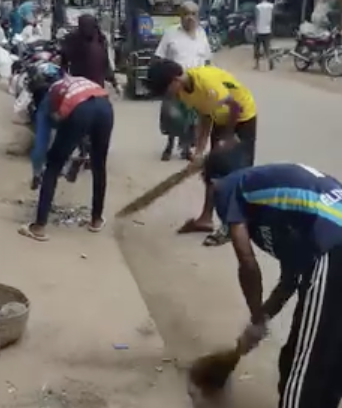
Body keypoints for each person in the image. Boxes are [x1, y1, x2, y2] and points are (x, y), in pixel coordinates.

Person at [203, 151, 342, 408]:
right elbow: (292, 277)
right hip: (331, 246)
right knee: (329, 357)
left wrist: (256, 317)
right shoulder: (275, 204)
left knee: (304, 369)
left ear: (212, 183)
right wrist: (262, 318)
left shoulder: (232, 187)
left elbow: (246, 262)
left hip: (335, 247)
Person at [145, 59, 257, 247]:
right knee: (212, 170)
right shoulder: (184, 92)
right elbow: (205, 115)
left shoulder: (207, 85)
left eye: (166, 91)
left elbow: (234, 107)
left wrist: (228, 139)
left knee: (234, 172)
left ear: (175, 80)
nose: (167, 96)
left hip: (241, 117)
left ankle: (232, 226)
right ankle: (205, 219)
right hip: (220, 117)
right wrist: (199, 150)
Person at [18, 75, 113, 241]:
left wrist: (37, 172)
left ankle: (39, 226)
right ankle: (96, 220)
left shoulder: (47, 103)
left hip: (81, 110)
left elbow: (41, 142)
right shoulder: (67, 83)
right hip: (105, 107)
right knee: (99, 165)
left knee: (53, 166)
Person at [154, 1, 212, 161]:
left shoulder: (202, 34)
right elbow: (159, 58)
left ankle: (186, 148)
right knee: (172, 115)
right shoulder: (170, 33)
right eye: (186, 14)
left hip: (195, 85)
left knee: (192, 118)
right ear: (180, 16)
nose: (189, 18)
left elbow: (207, 60)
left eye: (193, 14)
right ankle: (169, 145)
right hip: (175, 83)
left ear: (198, 17)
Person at [61, 14, 120, 91]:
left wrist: (115, 84)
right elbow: (64, 62)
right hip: (79, 86)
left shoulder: (100, 39)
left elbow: (105, 64)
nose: (87, 29)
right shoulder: (72, 39)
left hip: (96, 86)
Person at [254, 0, 274, 70]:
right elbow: (272, 18)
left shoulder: (258, 7)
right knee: (267, 48)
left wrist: (255, 29)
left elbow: (257, 18)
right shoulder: (271, 6)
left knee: (257, 48)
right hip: (267, 30)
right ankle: (270, 63)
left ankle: (257, 64)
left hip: (259, 30)